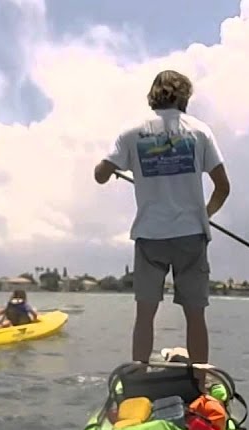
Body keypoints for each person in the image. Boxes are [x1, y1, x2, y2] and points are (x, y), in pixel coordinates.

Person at [93, 69, 230, 371]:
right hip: (191, 236)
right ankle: (202, 386)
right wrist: (204, 215)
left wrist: (113, 167)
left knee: (145, 313)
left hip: (150, 236)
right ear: (185, 97)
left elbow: (99, 175)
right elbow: (223, 188)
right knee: (196, 314)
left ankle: (138, 376)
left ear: (153, 95)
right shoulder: (200, 131)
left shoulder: (131, 132)